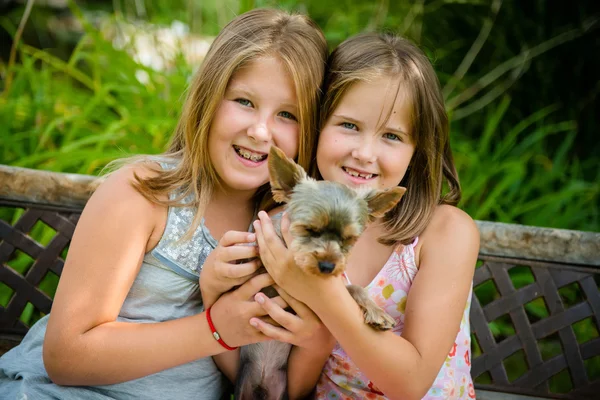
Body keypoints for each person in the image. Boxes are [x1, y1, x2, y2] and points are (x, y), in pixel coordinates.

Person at [0, 8, 327, 399]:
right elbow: (66, 356)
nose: (259, 131)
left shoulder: (294, 232)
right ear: (208, 98)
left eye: (287, 114)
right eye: (243, 101)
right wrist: (215, 327)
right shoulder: (145, 194)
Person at [251, 32, 480, 399]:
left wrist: (322, 292)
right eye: (349, 126)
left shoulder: (444, 233)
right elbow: (286, 381)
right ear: (318, 125)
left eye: (391, 136)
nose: (364, 153)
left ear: (417, 150)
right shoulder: (286, 223)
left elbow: (410, 383)